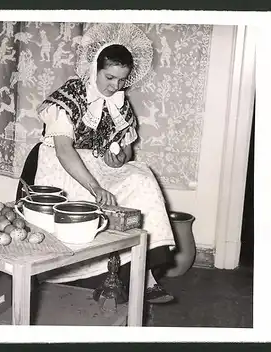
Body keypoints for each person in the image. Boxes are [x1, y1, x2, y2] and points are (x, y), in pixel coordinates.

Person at [15, 23, 177, 304]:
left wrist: (119, 159)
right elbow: (64, 150)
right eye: (109, 77)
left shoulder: (120, 103)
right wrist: (94, 187)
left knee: (141, 179)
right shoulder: (71, 94)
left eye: (121, 80)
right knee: (87, 199)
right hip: (59, 162)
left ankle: (144, 275)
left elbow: (126, 151)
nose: (115, 86)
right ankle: (86, 274)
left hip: (98, 165)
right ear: (95, 68)